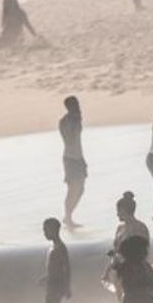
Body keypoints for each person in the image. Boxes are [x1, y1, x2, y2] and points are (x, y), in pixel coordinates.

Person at [41, 219, 83, 303]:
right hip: (52, 283)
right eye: (44, 230)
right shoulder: (53, 247)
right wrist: (46, 277)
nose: (44, 233)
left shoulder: (61, 248)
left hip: (57, 284)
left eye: (46, 230)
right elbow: (54, 267)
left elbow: (67, 268)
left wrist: (67, 286)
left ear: (54, 230)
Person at [58, 97, 87, 227]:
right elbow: (69, 139)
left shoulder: (75, 120)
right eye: (75, 105)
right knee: (72, 189)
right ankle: (68, 217)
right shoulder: (67, 121)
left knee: (80, 189)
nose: (78, 107)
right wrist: (75, 124)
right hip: (70, 158)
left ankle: (68, 216)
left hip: (78, 157)